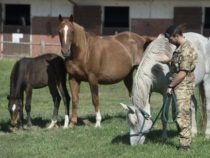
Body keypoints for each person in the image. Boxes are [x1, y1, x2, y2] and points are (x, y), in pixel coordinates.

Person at [164, 24, 198, 151]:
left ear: (176, 36)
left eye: (170, 39)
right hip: (179, 86)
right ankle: (184, 142)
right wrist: (167, 61)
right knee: (179, 114)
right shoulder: (180, 48)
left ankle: (185, 146)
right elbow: (178, 64)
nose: (169, 41)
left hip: (183, 87)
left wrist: (170, 86)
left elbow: (182, 72)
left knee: (182, 116)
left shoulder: (186, 50)